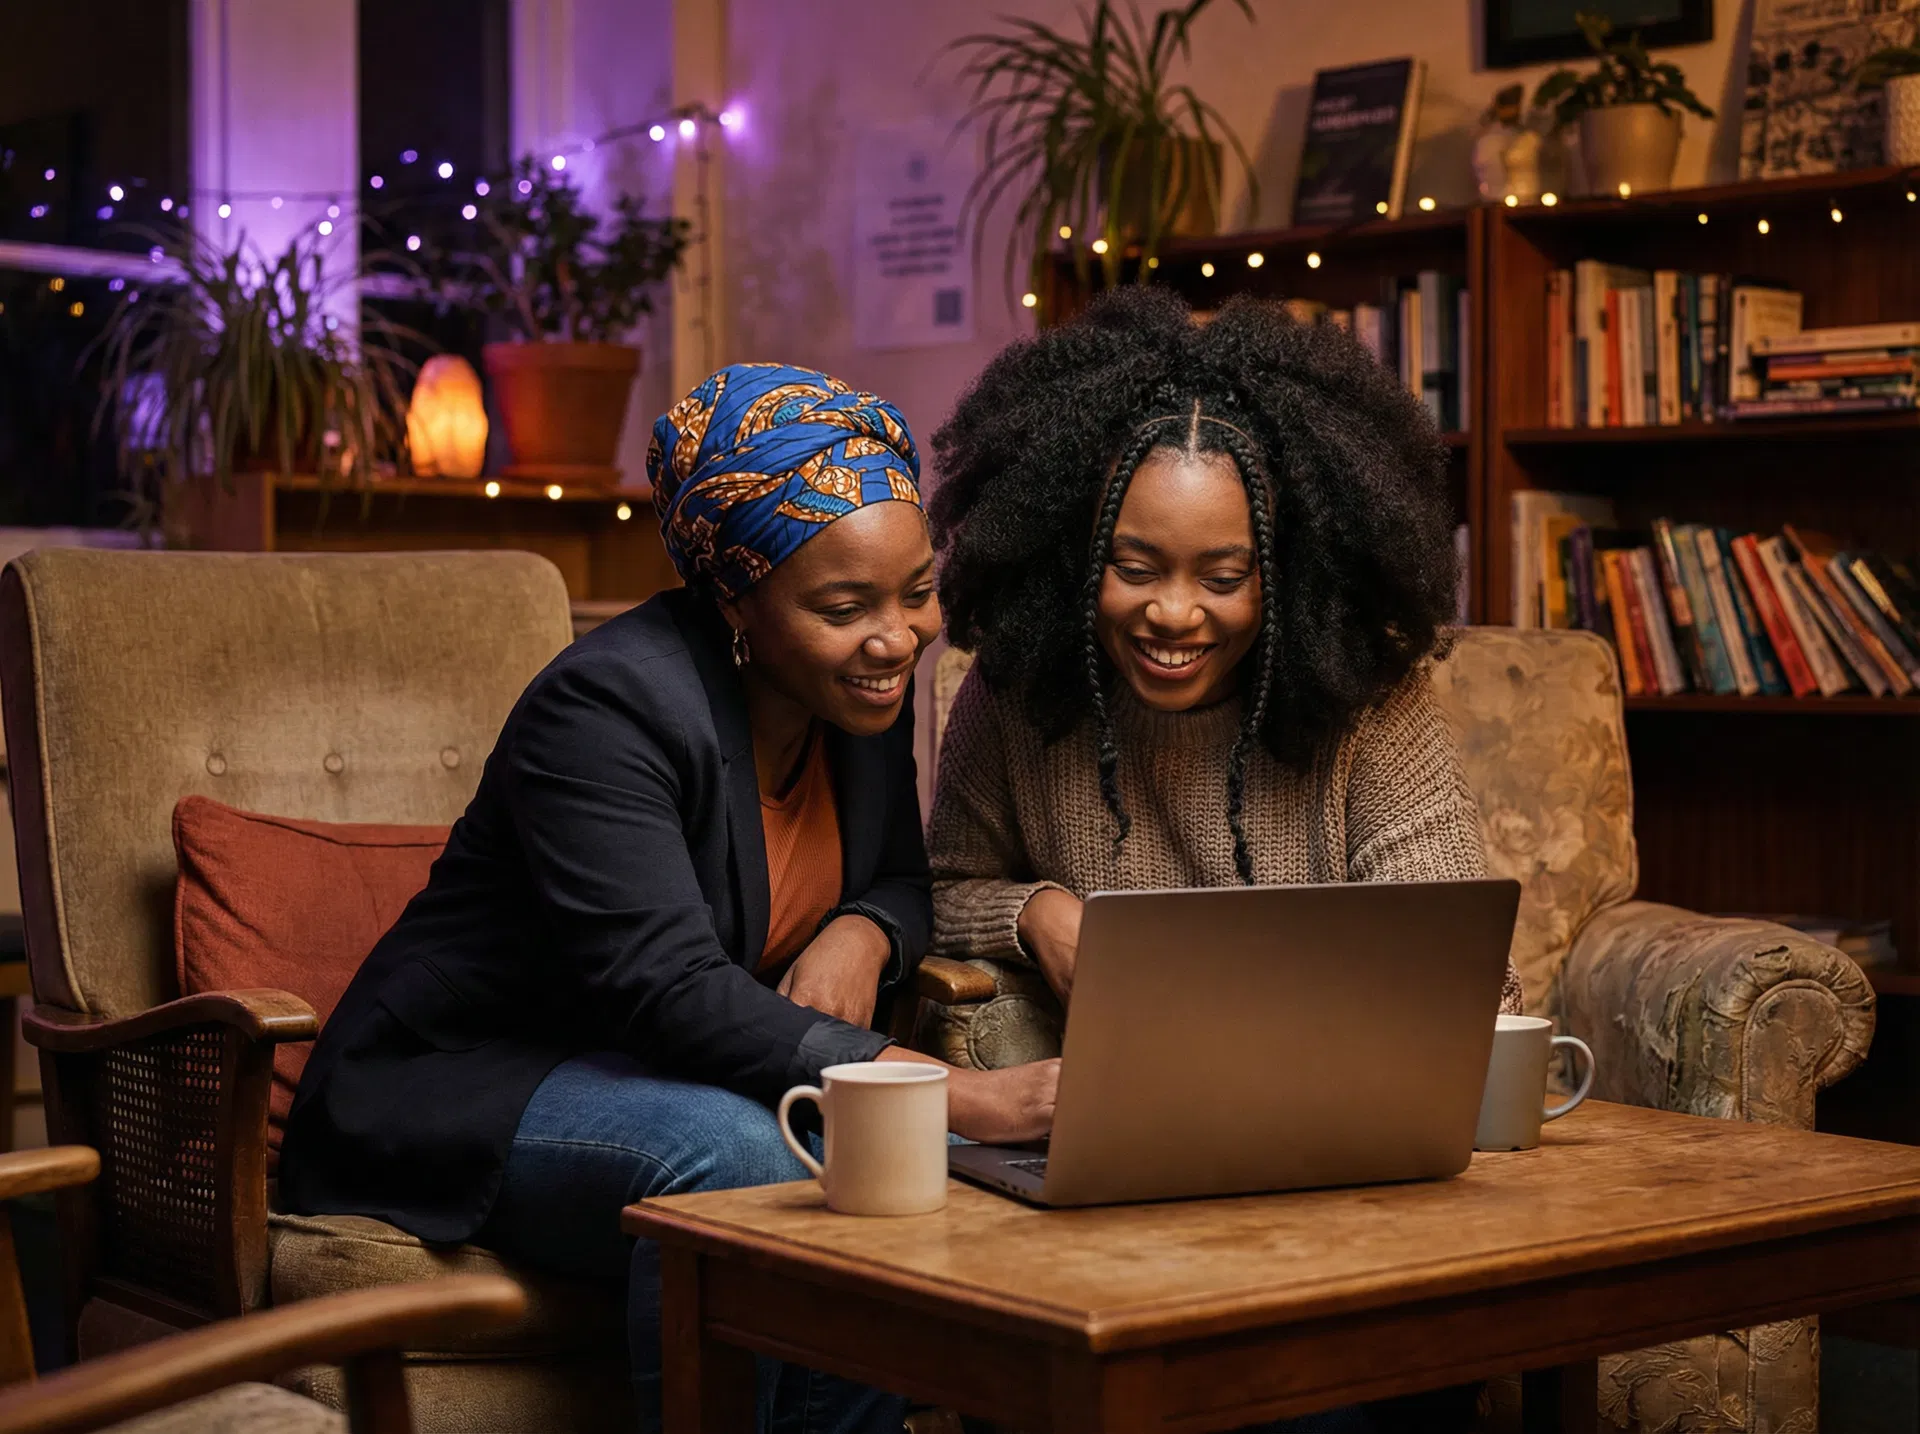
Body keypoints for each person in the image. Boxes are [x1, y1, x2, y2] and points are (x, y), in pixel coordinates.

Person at [280, 362, 1058, 1434]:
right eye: (845, 607)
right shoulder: (605, 706)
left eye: (918, 591)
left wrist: (861, 932)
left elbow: (900, 877)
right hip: (474, 1077)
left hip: (666, 1074)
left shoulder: (852, 695)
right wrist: (958, 1099)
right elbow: (666, 990)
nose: (898, 639)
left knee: (853, 1158)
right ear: (735, 597)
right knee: (740, 1158)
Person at [928, 287, 1523, 1024]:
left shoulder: (1370, 706)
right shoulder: (1018, 689)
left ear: (1290, 575)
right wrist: (1034, 913)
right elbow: (945, 887)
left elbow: (1466, 963)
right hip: (1122, 1111)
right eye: (1134, 568)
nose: (1173, 614)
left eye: (1223, 578)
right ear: (1071, 554)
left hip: (1338, 1096)